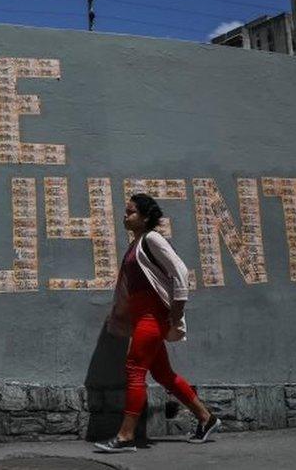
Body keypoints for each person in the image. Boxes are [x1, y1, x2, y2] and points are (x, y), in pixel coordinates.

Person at [93, 194, 220, 454]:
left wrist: (177, 309)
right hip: (142, 318)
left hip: (152, 317)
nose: (124, 216)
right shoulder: (135, 245)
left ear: (146, 217)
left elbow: (180, 271)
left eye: (130, 212)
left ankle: (126, 435)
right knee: (163, 374)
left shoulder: (151, 238)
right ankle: (207, 418)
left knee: (134, 369)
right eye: (125, 212)